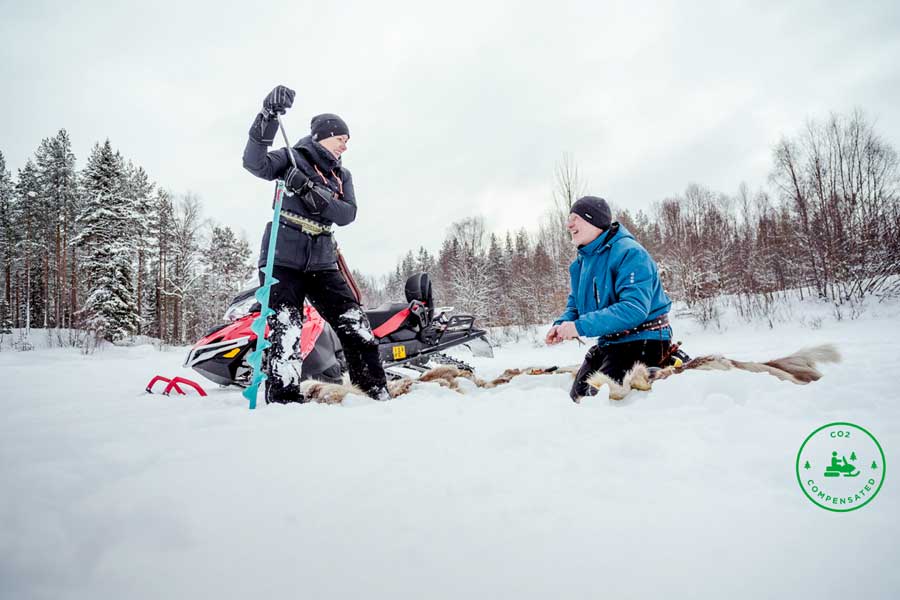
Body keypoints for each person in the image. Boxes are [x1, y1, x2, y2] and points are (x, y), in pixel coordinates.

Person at [242, 84, 388, 403]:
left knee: (354, 322)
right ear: (324, 136)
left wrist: (309, 191)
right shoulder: (291, 158)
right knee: (287, 329)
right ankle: (284, 400)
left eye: (347, 142)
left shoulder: (341, 175)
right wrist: (266, 117)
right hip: (282, 257)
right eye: (341, 140)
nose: (345, 147)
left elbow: (347, 213)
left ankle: (374, 391)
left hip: (322, 260)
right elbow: (254, 163)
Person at [546, 196, 673, 401]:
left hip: (644, 340)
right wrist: (562, 325)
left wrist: (579, 327)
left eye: (575, 218)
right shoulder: (580, 265)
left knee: (599, 402)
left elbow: (634, 308)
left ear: (594, 221)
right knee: (577, 398)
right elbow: (575, 306)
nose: (569, 224)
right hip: (609, 343)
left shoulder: (630, 253)